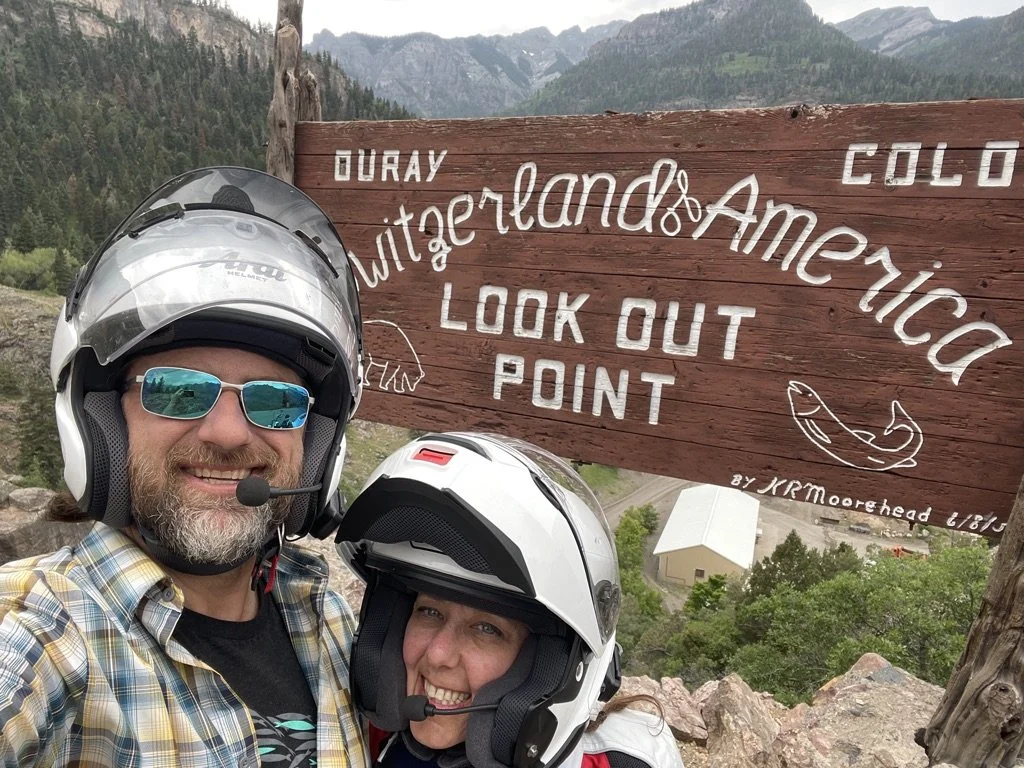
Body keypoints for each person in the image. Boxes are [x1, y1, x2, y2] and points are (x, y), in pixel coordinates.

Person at [0, 167, 370, 768]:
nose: (227, 433)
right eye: (177, 389)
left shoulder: (328, 616)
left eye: (276, 400)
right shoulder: (46, 630)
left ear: (318, 442)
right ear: (103, 426)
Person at [334, 432, 684, 768]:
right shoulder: (355, 734)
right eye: (429, 611)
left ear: (549, 667)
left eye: (486, 629)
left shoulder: (620, 762)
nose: (438, 654)